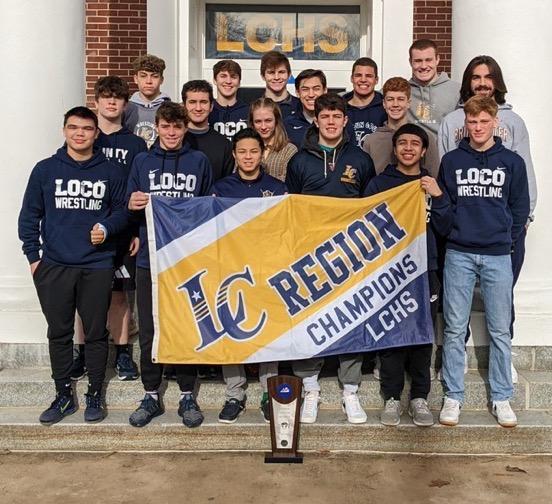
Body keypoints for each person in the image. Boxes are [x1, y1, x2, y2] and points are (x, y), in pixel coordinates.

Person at [18, 106, 128, 424]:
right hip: (54, 265)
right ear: (65, 131)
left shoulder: (111, 171)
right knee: (59, 333)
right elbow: (29, 217)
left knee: (95, 333)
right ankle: (63, 394)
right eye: (73, 128)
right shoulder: (45, 170)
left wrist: (106, 228)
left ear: (96, 133)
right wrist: (34, 258)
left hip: (96, 265)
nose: (79, 133)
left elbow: (123, 212)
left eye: (86, 129)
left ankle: (94, 393)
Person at [437, 96, 529, 428]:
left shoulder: (512, 163)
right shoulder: (450, 161)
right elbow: (444, 206)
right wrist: (454, 234)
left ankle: (502, 396)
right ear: (465, 124)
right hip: (459, 252)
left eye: (483, 122)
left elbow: (519, 208)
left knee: (500, 329)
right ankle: (453, 396)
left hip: (497, 254)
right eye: (472, 122)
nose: (477, 128)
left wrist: (506, 236)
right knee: (454, 327)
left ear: (495, 123)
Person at [285, 93, 376, 424]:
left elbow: (370, 207)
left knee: (350, 319)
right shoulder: (299, 161)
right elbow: (290, 209)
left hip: (350, 256)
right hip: (310, 257)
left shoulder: (361, 159)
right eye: (325, 116)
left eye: (337, 116)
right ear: (316, 120)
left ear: (345, 120)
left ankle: (350, 391)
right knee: (309, 321)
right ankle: (310, 387)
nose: (331, 122)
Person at [126, 102, 214, 428]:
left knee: (185, 327)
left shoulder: (198, 161)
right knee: (149, 329)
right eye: (166, 126)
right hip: (151, 259)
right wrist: (133, 203)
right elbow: (129, 203)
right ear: (158, 127)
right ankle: (150, 393)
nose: (172, 132)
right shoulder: (142, 161)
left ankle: (187, 393)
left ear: (185, 128)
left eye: (178, 127)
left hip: (186, 259)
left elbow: (208, 208)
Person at [364, 124, 450, 427]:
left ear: (424, 150)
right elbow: (365, 227)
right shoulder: (379, 184)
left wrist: (438, 197)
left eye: (415, 143)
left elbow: (446, 226)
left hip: (426, 268)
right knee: (391, 332)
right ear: (395, 148)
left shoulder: (433, 183)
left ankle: (419, 397)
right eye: (403, 143)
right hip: (390, 270)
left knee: (422, 334)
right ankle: (391, 397)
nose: (409, 148)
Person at [71, 76, 147, 383]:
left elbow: (140, 189)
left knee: (119, 296)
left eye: (117, 98)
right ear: (97, 101)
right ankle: (80, 351)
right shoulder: (87, 137)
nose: (111, 102)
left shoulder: (135, 143)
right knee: (83, 295)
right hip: (87, 228)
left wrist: (138, 232)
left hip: (122, 229)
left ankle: (123, 352)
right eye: (106, 97)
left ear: (125, 104)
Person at [213, 128, 288, 423]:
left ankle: (269, 392)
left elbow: (284, 229)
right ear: (234, 154)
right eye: (242, 151)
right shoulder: (221, 188)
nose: (248, 156)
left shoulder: (278, 188)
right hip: (230, 271)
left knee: (268, 331)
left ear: (263, 154)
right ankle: (235, 394)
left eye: (253, 151)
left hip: (266, 270)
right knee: (232, 332)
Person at [363, 77, 440, 176]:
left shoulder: (425, 137)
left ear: (408, 103)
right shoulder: (371, 141)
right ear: (384, 104)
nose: (395, 104)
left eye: (400, 99)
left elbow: (433, 176)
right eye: (390, 99)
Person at [181, 79, 234, 181]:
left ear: (211, 106)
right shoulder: (172, 139)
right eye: (192, 102)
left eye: (203, 102)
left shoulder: (224, 145)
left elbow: (226, 184)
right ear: (184, 106)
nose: (198, 108)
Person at [407, 39, 459, 135]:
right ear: (410, 62)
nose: (423, 66)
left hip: (445, 149)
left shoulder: (457, 91)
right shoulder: (402, 90)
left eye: (428, 60)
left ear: (437, 59)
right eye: (418, 61)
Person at [123, 54, 171, 147]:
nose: (149, 81)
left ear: (161, 80)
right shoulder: (126, 108)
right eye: (143, 76)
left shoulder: (170, 108)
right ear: (136, 79)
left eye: (154, 76)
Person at [342, 57, 387, 147]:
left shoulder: (385, 107)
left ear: (376, 80)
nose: (363, 80)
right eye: (358, 75)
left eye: (368, 76)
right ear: (352, 78)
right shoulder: (340, 107)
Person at [249, 97, 297, 181]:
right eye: (258, 121)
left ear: (276, 121)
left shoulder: (289, 150)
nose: (263, 127)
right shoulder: (245, 150)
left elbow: (288, 184)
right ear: (252, 124)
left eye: (268, 121)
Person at [284, 69, 327, 148]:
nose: (311, 94)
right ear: (297, 93)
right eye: (305, 89)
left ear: (325, 91)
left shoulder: (336, 122)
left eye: (316, 89)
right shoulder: (287, 124)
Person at [209, 60, 249, 141]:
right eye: (223, 76)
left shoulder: (249, 111)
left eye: (233, 77)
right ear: (214, 80)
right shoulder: (206, 110)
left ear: (239, 82)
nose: (228, 81)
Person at [260, 50, 300, 119]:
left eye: (281, 72)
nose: (276, 77)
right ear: (263, 76)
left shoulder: (301, 106)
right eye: (271, 72)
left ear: (289, 75)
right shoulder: (253, 108)